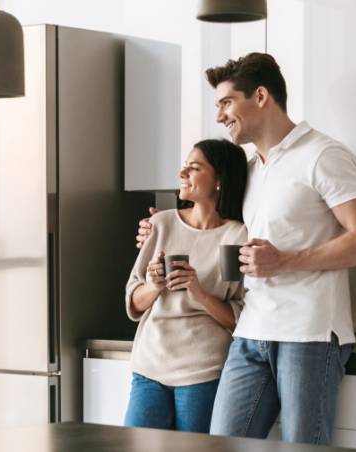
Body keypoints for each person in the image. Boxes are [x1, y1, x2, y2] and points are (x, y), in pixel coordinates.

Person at [135, 53, 356, 445]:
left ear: (261, 96)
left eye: (225, 103)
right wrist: (157, 226)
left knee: (302, 446)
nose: (219, 116)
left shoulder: (323, 155)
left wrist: (285, 261)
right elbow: (212, 226)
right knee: (220, 445)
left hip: (309, 334)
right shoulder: (251, 170)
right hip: (251, 332)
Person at [124, 138, 248, 433]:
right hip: (149, 368)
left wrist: (199, 292)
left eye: (193, 168)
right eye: (184, 167)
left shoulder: (237, 236)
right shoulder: (162, 224)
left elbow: (238, 319)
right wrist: (153, 286)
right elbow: (133, 302)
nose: (182, 175)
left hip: (203, 373)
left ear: (219, 180)